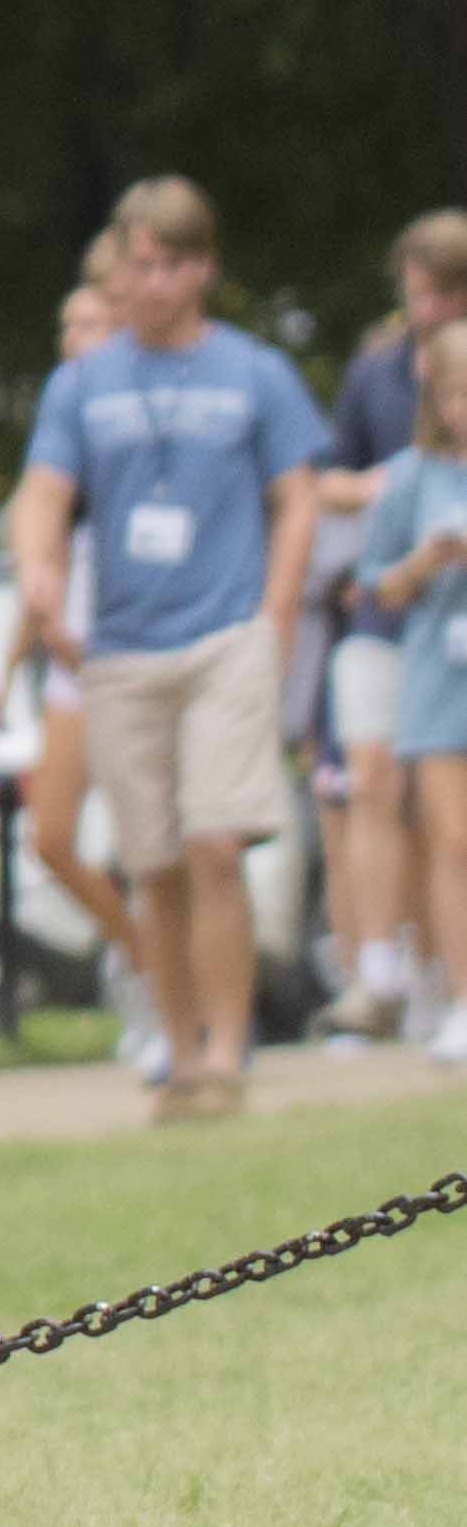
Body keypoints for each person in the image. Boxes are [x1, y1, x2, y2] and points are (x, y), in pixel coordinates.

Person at [7, 176, 324, 1121]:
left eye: (168, 264)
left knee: (213, 842)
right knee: (151, 862)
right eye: (137, 264)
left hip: (224, 631)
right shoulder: (81, 383)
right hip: (121, 647)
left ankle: (227, 1051)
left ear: (202, 267)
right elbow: (43, 493)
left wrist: (274, 614)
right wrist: (35, 568)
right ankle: (179, 1052)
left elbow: (297, 494)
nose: (150, 283)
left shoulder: (253, 371)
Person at [309, 217, 467, 1036]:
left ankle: (438, 974)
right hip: (400, 632)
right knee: (381, 789)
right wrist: (393, 515)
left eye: (442, 293)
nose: (426, 309)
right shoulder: (376, 375)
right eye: (417, 292)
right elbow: (326, 484)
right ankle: (387, 968)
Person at [13, 266, 147, 987]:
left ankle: (177, 992)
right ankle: (143, 953)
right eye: (67, 325)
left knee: (151, 840)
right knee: (51, 835)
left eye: (89, 324)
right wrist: (8, 673)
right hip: (71, 663)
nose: (74, 339)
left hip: (134, 650)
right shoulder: (61, 420)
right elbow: (36, 553)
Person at [341, 319, 467, 1062]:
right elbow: (374, 584)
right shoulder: (410, 477)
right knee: (451, 840)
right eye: (453, 391)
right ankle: (459, 993)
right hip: (437, 675)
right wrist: (425, 562)